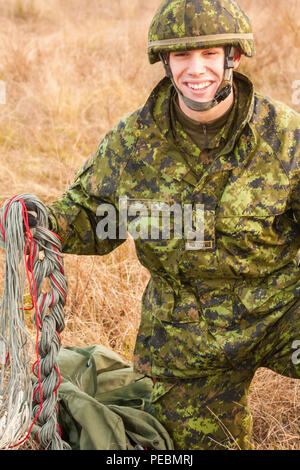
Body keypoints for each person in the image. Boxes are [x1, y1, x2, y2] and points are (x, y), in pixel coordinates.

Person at [28, 0, 300, 450]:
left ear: (233, 57)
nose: (197, 70)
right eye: (182, 56)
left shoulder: (286, 137)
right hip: (187, 336)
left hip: (281, 312)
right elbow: (92, 217)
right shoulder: (133, 142)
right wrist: (39, 221)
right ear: (165, 62)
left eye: (210, 54)